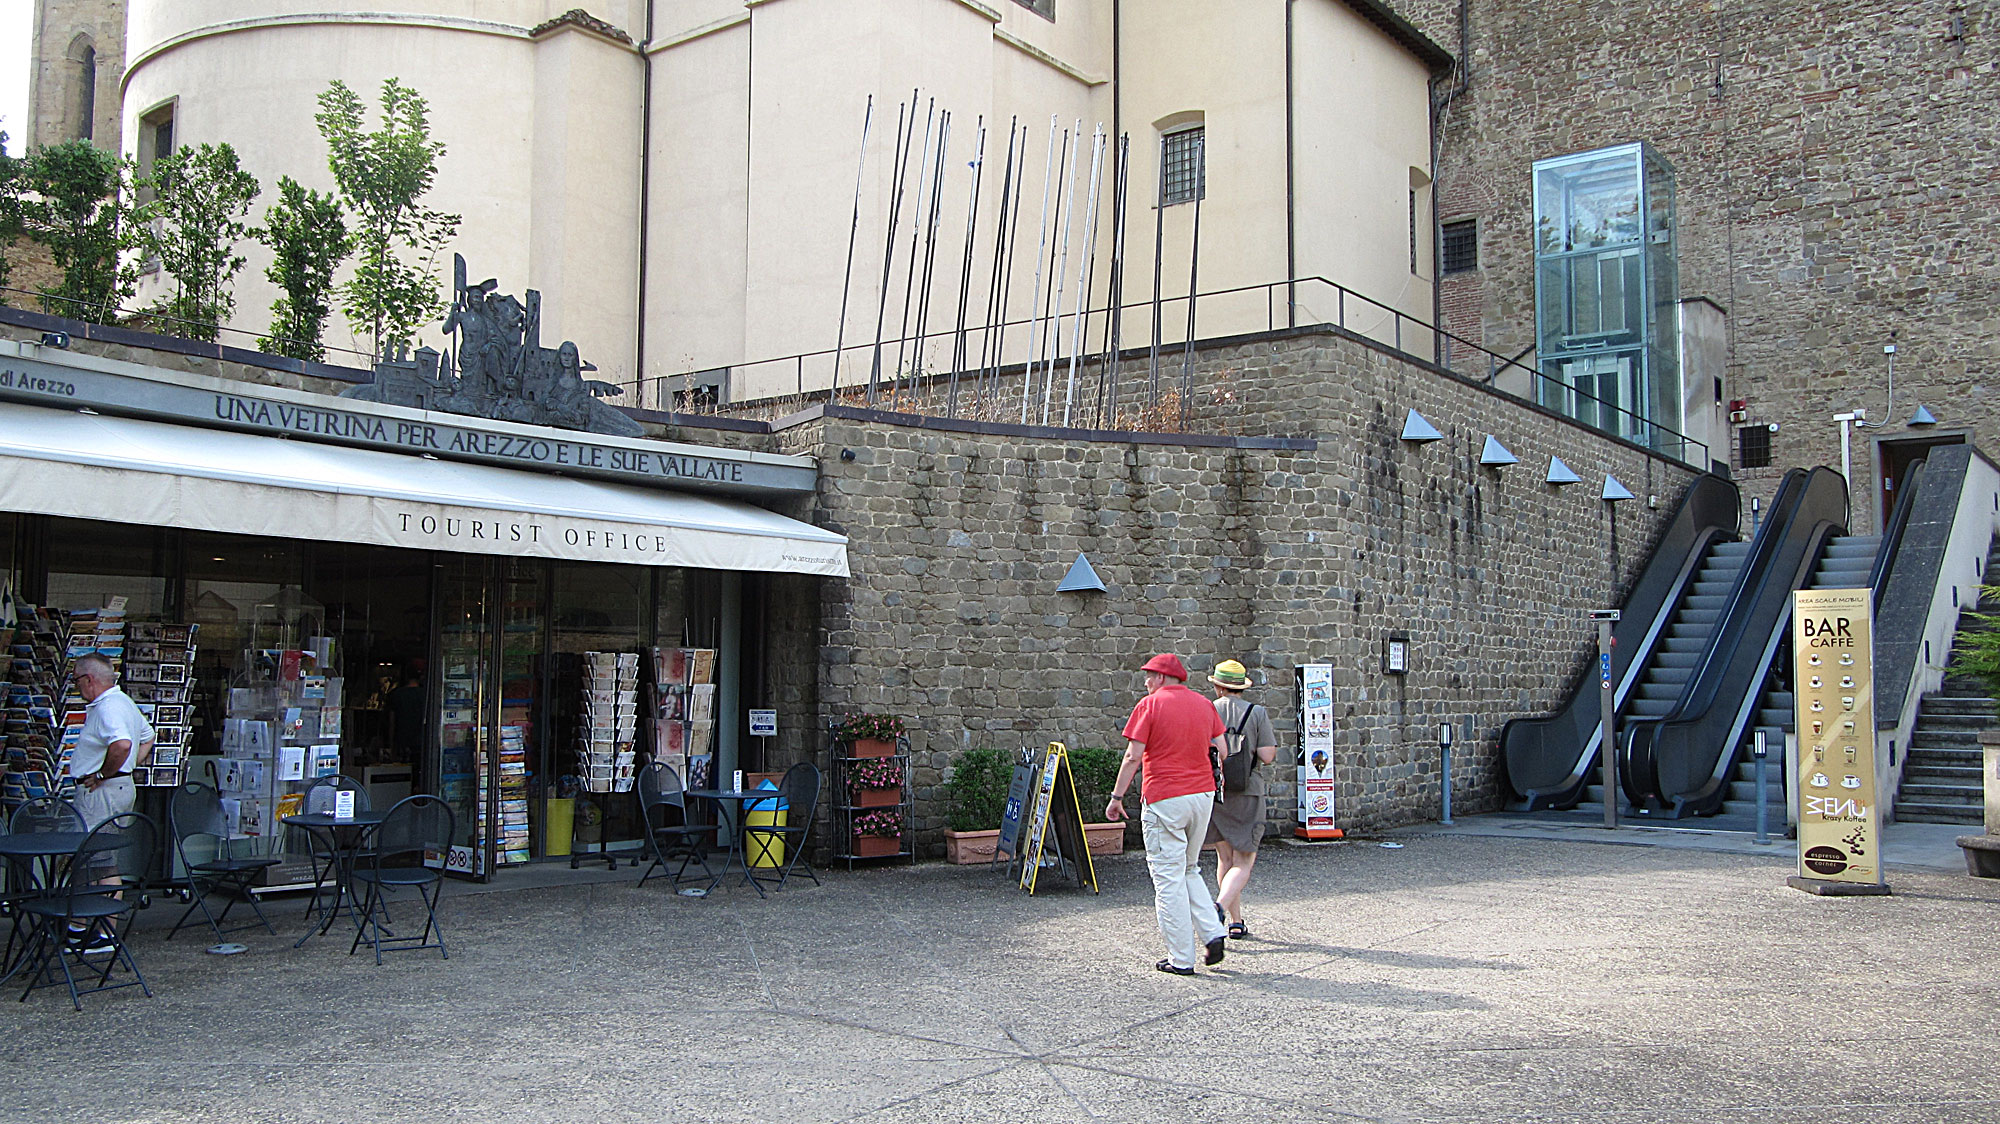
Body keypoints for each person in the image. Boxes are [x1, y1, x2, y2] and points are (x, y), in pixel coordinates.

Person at [1105, 653, 1229, 976]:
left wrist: (1117, 797)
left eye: (1148, 676)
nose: (1145, 682)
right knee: (1189, 868)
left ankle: (1181, 958)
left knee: (1167, 878)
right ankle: (1214, 932)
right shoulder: (1205, 705)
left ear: (1162, 678)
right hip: (1202, 795)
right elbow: (1223, 750)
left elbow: (1133, 756)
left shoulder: (1149, 706)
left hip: (1165, 797)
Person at [68, 653, 154, 950]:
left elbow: (123, 744)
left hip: (102, 792)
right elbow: (147, 737)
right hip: (117, 786)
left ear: (88, 680)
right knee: (102, 860)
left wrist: (106, 773)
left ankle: (91, 931)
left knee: (95, 862)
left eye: (77, 680)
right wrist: (125, 769)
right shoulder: (123, 703)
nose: (77, 687)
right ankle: (94, 929)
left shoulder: (108, 708)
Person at [1205, 659, 1277, 939]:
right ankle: (1220, 907)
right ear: (1241, 687)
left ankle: (1236, 922)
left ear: (1218, 686)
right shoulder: (1256, 713)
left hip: (1218, 792)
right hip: (1248, 791)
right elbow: (1268, 756)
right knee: (1244, 860)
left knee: (1224, 858)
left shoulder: (1209, 710)